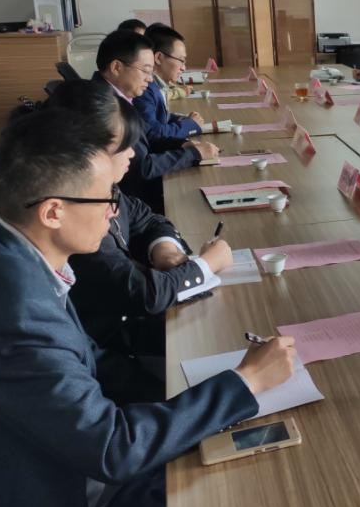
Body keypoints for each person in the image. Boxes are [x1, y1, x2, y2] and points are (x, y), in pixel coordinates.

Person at [0, 108, 295, 507]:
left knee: (228, 458)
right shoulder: (11, 311)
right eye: (105, 197)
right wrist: (245, 383)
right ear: (53, 211)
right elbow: (113, 449)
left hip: (57, 466)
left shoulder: (6, 253)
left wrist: (196, 383)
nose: (115, 211)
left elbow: (93, 365)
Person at [43, 81, 233, 401]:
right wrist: (206, 264)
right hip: (110, 344)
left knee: (221, 330)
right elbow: (144, 295)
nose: (133, 153)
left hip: (119, 327)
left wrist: (165, 249)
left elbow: (148, 218)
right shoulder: (76, 216)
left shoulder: (101, 188)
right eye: (125, 146)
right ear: (88, 153)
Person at [92, 29, 217, 212]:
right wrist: (192, 154)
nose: (150, 79)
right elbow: (141, 168)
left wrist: (182, 145)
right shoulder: (103, 107)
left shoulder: (118, 98)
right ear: (116, 67)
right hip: (133, 202)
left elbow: (147, 137)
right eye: (145, 70)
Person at [132, 24, 205, 141]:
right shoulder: (144, 89)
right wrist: (189, 125)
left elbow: (160, 118)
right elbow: (153, 133)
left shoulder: (158, 85)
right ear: (158, 58)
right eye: (181, 60)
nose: (184, 68)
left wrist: (184, 120)